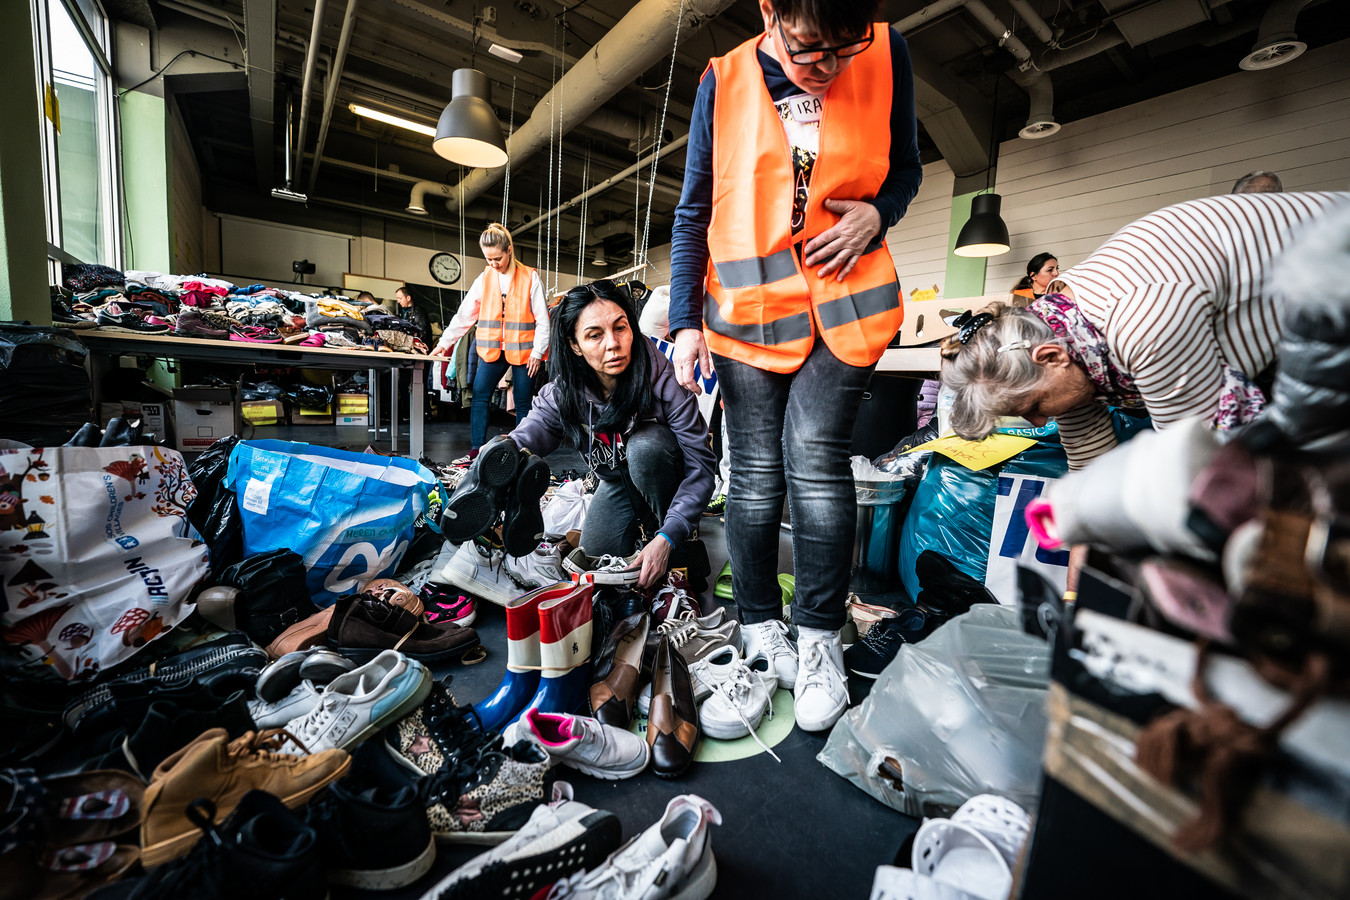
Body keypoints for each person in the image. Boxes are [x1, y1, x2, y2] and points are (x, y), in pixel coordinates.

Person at [668, 0, 922, 732]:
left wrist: (879, 214)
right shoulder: (724, 79)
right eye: (811, 49)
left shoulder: (890, 54)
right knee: (751, 472)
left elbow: (902, 170)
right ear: (769, 12)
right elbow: (694, 213)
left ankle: (816, 639)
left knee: (815, 458)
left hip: (846, 302)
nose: (829, 67)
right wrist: (684, 321)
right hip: (750, 308)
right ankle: (758, 630)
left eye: (848, 47)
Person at [940, 191, 1348, 471]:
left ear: (1050, 358)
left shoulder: (1144, 325)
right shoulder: (1066, 331)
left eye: (1030, 406)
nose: (1032, 420)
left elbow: (1198, 464)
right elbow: (1089, 460)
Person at [507, 281, 716, 589]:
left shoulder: (664, 380)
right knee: (594, 560)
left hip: (663, 474)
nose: (613, 343)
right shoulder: (567, 391)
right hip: (619, 481)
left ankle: (674, 533)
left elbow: (701, 467)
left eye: (621, 328)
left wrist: (670, 534)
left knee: (646, 448)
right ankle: (653, 536)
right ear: (574, 345)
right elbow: (535, 427)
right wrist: (502, 451)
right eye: (594, 335)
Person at [430, 224, 550, 460]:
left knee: (524, 403)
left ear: (509, 250)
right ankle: (476, 451)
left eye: (498, 258)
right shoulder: (484, 278)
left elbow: (543, 320)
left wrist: (538, 353)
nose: (494, 264)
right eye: (489, 259)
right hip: (492, 350)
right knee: (480, 395)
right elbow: (465, 315)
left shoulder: (530, 277)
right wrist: (445, 342)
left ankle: (522, 452)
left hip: (524, 352)